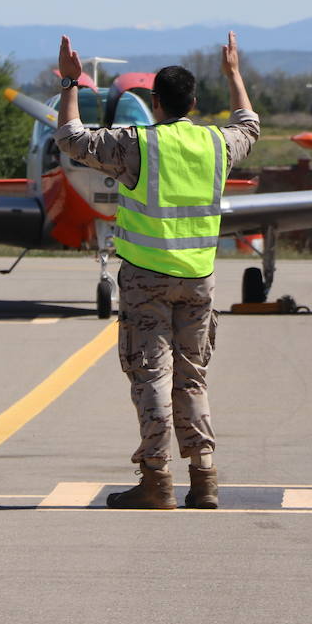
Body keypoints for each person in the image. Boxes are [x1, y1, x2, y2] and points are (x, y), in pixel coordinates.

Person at [54, 31, 259, 509]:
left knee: (151, 376)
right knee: (192, 378)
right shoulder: (216, 145)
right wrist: (234, 74)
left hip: (147, 279)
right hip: (199, 281)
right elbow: (248, 125)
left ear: (155, 103)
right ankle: (204, 477)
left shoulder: (137, 146)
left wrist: (70, 81)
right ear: (192, 101)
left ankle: (155, 479)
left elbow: (69, 139)